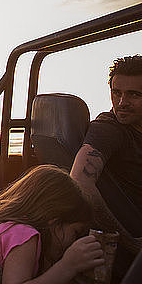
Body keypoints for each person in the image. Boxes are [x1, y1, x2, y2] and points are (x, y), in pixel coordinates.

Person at [70, 55, 142, 276]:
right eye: (116, 92)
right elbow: (79, 182)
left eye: (134, 95)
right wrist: (128, 241)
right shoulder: (109, 129)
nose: (122, 103)